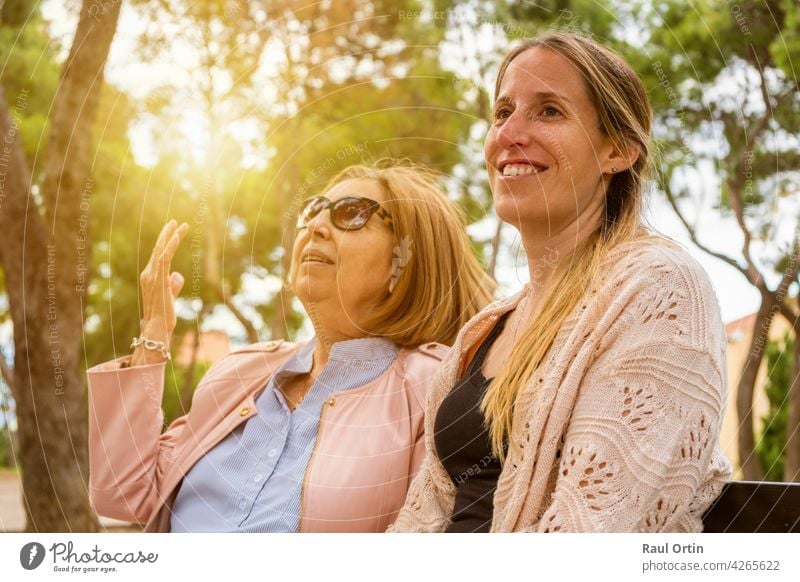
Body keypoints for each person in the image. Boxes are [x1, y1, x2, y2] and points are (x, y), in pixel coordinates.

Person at [389, 31, 732, 533]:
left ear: (617, 150)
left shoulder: (659, 289)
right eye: (503, 112)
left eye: (549, 111)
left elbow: (585, 533)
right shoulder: (485, 330)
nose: (509, 134)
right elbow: (422, 517)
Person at [87, 160, 495, 532]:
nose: (316, 226)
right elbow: (123, 495)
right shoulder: (237, 373)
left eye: (351, 214)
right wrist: (153, 338)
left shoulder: (436, 388)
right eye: (312, 211)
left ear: (403, 261)